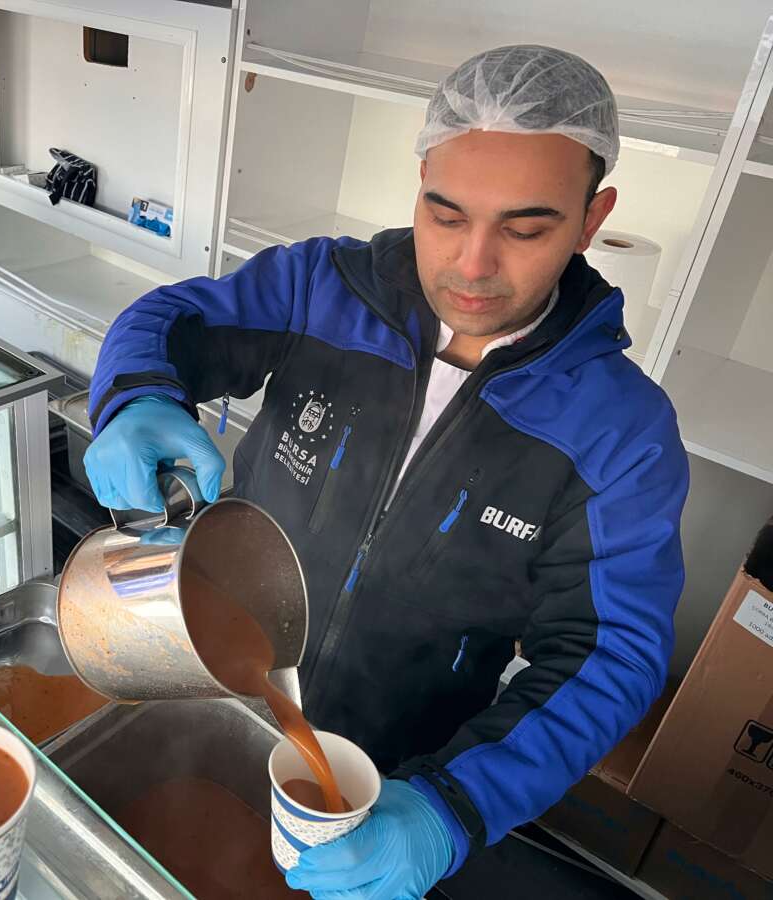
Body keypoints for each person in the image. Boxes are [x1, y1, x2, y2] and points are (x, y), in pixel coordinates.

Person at [84, 45, 689, 899]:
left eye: (525, 229)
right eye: (446, 214)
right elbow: (172, 319)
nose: (473, 264)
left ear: (593, 220)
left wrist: (454, 807)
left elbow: (610, 654)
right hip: (208, 688)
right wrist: (136, 397)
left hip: (394, 772)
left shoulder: (621, 432)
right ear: (420, 183)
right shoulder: (323, 288)